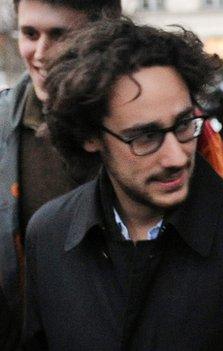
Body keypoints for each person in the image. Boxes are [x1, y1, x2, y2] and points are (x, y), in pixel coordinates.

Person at [22, 19, 223, 349]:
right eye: (146, 137)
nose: (176, 157)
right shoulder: (49, 235)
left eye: (183, 125)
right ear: (90, 135)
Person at [0, 0, 121, 341]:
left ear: (103, 34)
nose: (40, 53)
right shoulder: (2, 127)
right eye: (29, 33)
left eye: (59, 34)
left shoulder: (152, 124)